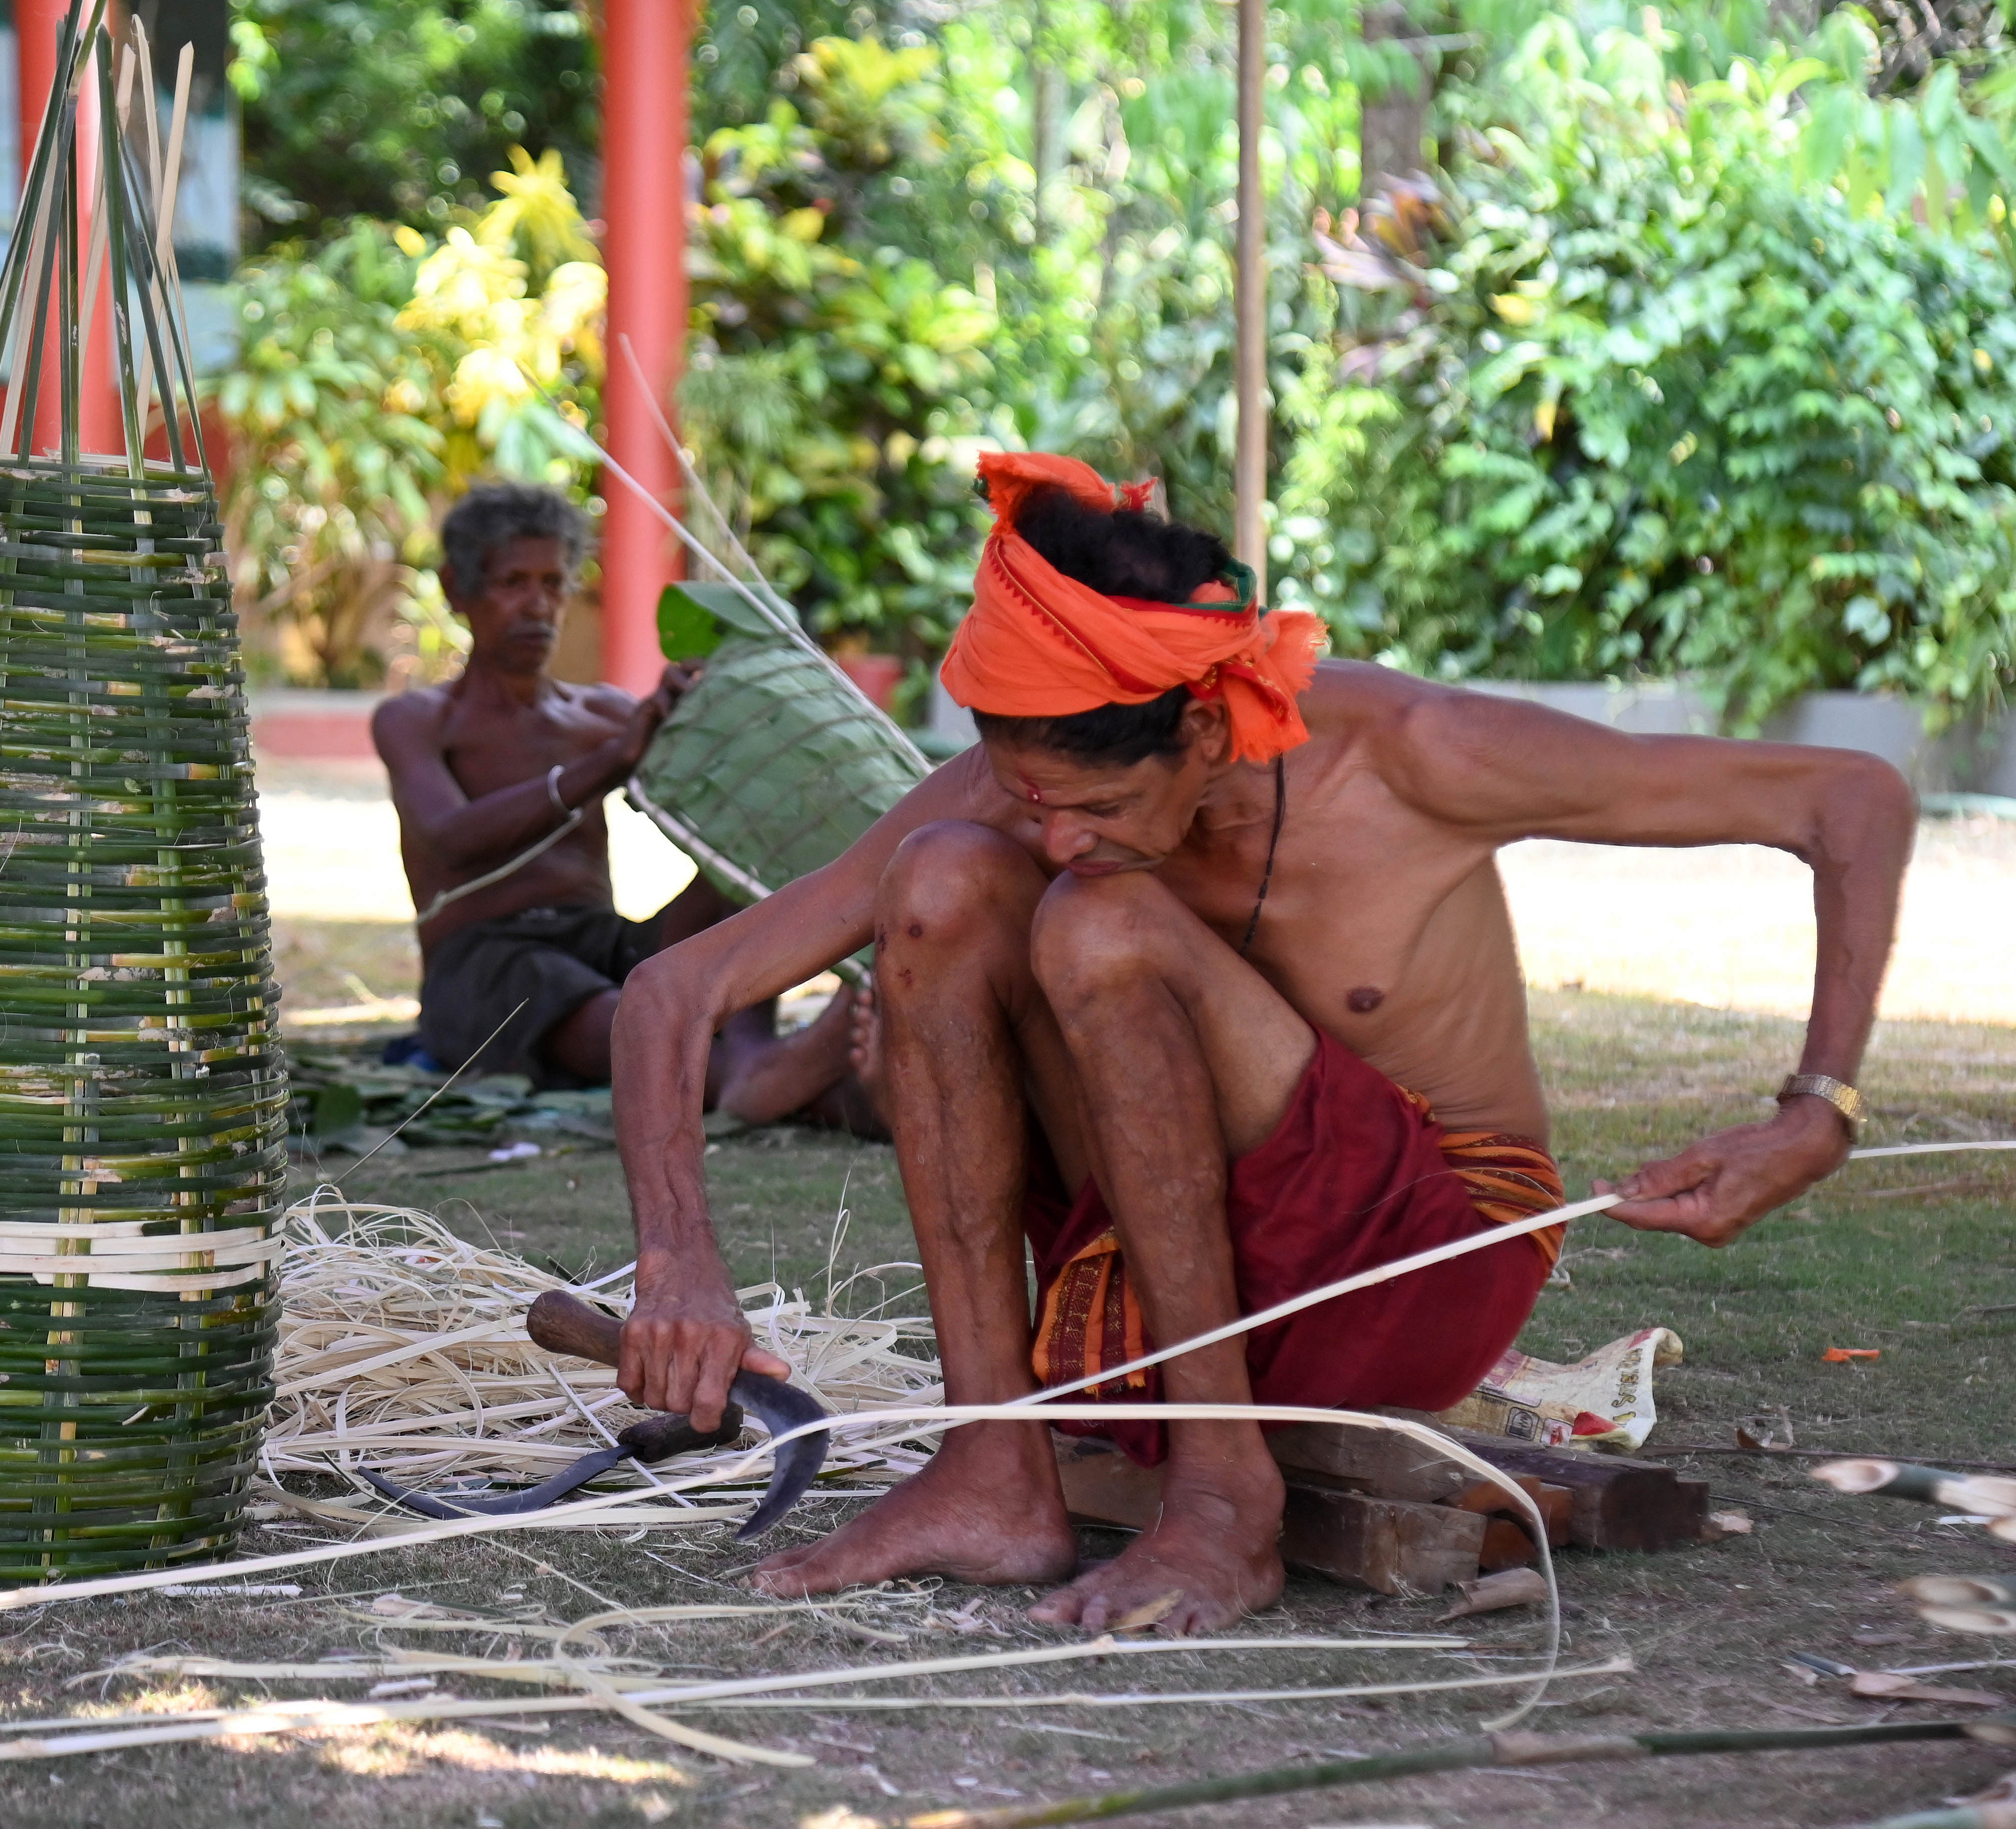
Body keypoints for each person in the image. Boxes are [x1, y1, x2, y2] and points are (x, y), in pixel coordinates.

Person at [605, 451, 1914, 1635]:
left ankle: (1229, 1501)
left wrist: (1818, 1107)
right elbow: (675, 992)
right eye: (1035, 799)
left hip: (1415, 1265)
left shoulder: (1417, 756)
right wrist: (678, 1258)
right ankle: (993, 1462)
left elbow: (1848, 798)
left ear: (1205, 726)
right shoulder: (1029, 792)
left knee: (1099, 923)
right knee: (942, 879)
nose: (1055, 836)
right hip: (1143, 1281)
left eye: (1100, 801)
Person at [373, 482, 859, 1121]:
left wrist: (715, 709)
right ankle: (785, 1085)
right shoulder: (418, 719)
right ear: (456, 591)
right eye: (513, 582)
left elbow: (713, 796)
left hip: (601, 942)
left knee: (733, 885)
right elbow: (448, 836)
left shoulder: (599, 713)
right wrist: (607, 763)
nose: (538, 605)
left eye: (553, 583)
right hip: (487, 964)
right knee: (608, 1011)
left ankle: (756, 1048)